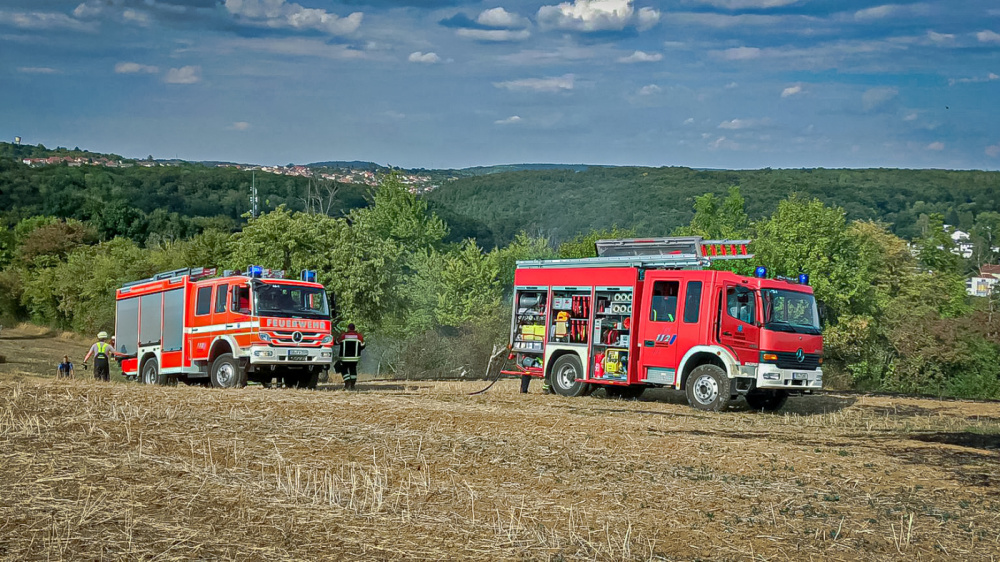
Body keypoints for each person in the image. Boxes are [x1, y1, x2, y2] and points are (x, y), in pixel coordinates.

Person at [336, 323, 365, 390]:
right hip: (355, 358)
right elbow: (363, 345)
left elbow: (337, 342)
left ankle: (347, 381)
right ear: (354, 328)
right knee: (353, 370)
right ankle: (352, 385)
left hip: (344, 358)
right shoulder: (359, 336)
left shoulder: (343, 336)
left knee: (343, 369)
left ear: (348, 328)